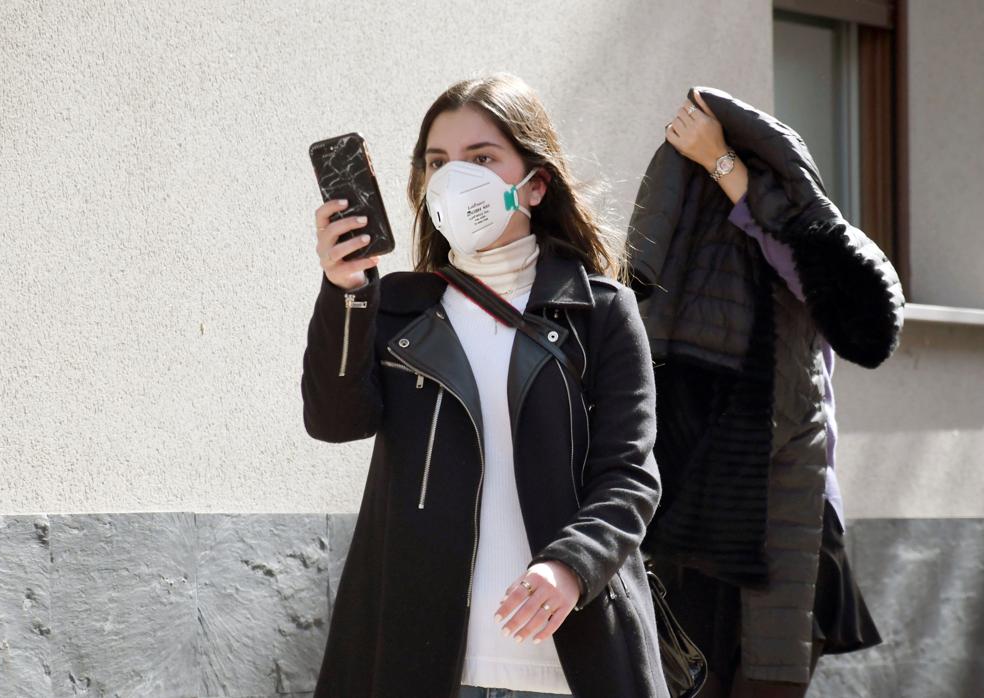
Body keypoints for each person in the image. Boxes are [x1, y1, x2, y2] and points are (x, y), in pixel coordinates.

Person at [302, 73, 669, 698]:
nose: (454, 177)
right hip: (428, 662)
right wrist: (345, 293)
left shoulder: (601, 312)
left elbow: (629, 475)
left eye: (481, 158)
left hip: (571, 662)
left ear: (535, 183)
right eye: (438, 161)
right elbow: (335, 420)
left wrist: (571, 566)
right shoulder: (395, 307)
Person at [627, 88, 904, 698]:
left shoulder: (825, 249)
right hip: (696, 509)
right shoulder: (682, 266)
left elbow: (864, 317)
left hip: (794, 515)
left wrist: (726, 166)